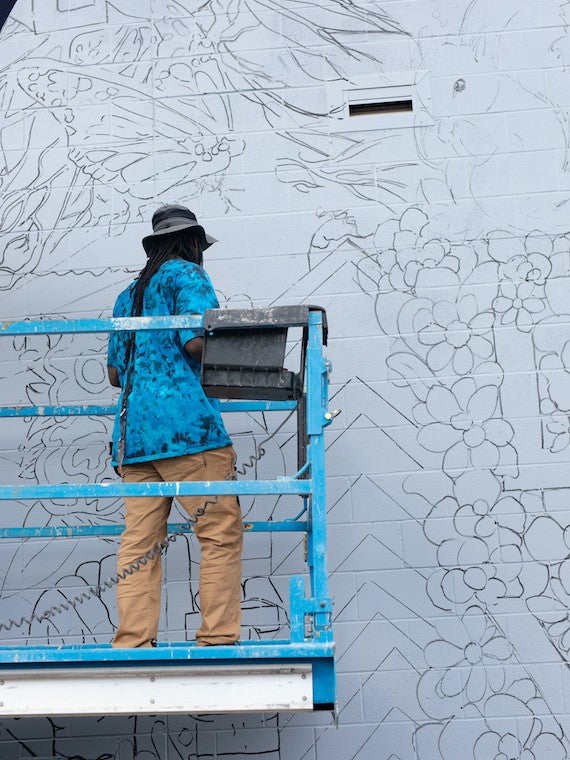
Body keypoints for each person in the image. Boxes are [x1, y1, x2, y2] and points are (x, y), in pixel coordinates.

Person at [107, 204, 242, 648]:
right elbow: (197, 342)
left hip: (134, 438)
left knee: (139, 546)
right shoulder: (188, 275)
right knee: (219, 532)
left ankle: (132, 642)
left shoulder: (128, 296)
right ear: (193, 242)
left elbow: (114, 374)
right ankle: (218, 638)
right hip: (187, 431)